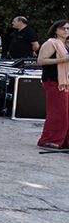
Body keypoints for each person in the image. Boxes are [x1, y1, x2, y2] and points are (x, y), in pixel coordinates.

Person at [35, 19, 69, 151]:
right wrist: (63, 59)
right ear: (56, 30)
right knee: (58, 112)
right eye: (63, 28)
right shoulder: (51, 43)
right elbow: (40, 61)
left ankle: (63, 141)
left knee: (65, 113)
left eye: (68, 28)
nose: (66, 31)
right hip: (53, 81)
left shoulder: (65, 44)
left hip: (64, 81)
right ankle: (49, 140)